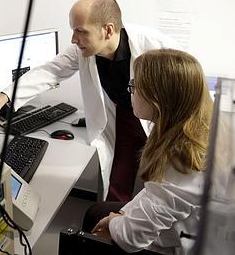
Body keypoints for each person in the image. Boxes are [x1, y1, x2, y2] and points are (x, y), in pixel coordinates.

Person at [0, 0, 178, 201]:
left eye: (80, 31)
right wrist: (1, 98)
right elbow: (51, 71)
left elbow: (189, 90)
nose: (74, 39)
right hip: (124, 120)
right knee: (119, 182)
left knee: (160, 188)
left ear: (107, 30)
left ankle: (139, 227)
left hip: (162, 123)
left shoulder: (156, 46)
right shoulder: (83, 51)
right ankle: (109, 225)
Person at [83, 49, 213, 255]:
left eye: (134, 86)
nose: (130, 91)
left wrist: (116, 221)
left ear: (158, 97)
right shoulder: (189, 128)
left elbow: (132, 238)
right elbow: (156, 194)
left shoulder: (184, 155)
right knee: (97, 211)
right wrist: (123, 215)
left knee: (97, 222)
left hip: (187, 245)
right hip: (183, 224)